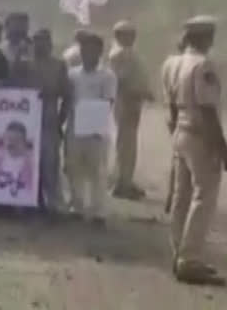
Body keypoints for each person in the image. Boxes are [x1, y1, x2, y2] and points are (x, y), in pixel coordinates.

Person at [168, 16, 227, 285]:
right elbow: (207, 109)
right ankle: (189, 259)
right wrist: (222, 146)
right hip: (200, 135)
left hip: (180, 130)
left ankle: (179, 250)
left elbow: (170, 102)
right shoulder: (203, 65)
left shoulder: (173, 62)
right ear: (204, 37)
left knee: (182, 195)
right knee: (204, 195)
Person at [66, 32, 116, 227]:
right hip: (74, 126)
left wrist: (94, 122)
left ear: (100, 52)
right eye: (85, 49)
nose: (88, 53)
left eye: (93, 50)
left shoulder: (107, 75)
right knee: (74, 168)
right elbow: (68, 99)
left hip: (97, 127)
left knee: (97, 170)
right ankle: (77, 207)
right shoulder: (72, 74)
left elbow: (109, 100)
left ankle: (98, 212)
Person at [108, 20, 153, 200]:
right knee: (125, 145)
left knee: (129, 144)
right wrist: (143, 92)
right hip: (126, 102)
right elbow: (121, 81)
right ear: (119, 35)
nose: (132, 38)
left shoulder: (127, 53)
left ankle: (126, 180)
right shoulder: (119, 54)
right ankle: (121, 183)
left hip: (132, 103)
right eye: (128, 34)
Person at [31, 29, 71, 214]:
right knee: (29, 163)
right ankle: (32, 202)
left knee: (50, 165)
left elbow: (67, 96)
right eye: (37, 41)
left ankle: (52, 204)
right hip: (27, 123)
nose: (40, 45)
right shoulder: (24, 65)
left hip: (49, 121)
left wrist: (60, 121)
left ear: (50, 44)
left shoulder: (58, 66)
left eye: (44, 42)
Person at [161, 37, 185, 214]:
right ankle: (176, 198)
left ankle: (171, 197)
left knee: (176, 156)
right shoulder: (186, 64)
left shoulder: (168, 62)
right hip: (181, 112)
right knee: (182, 158)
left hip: (170, 111)